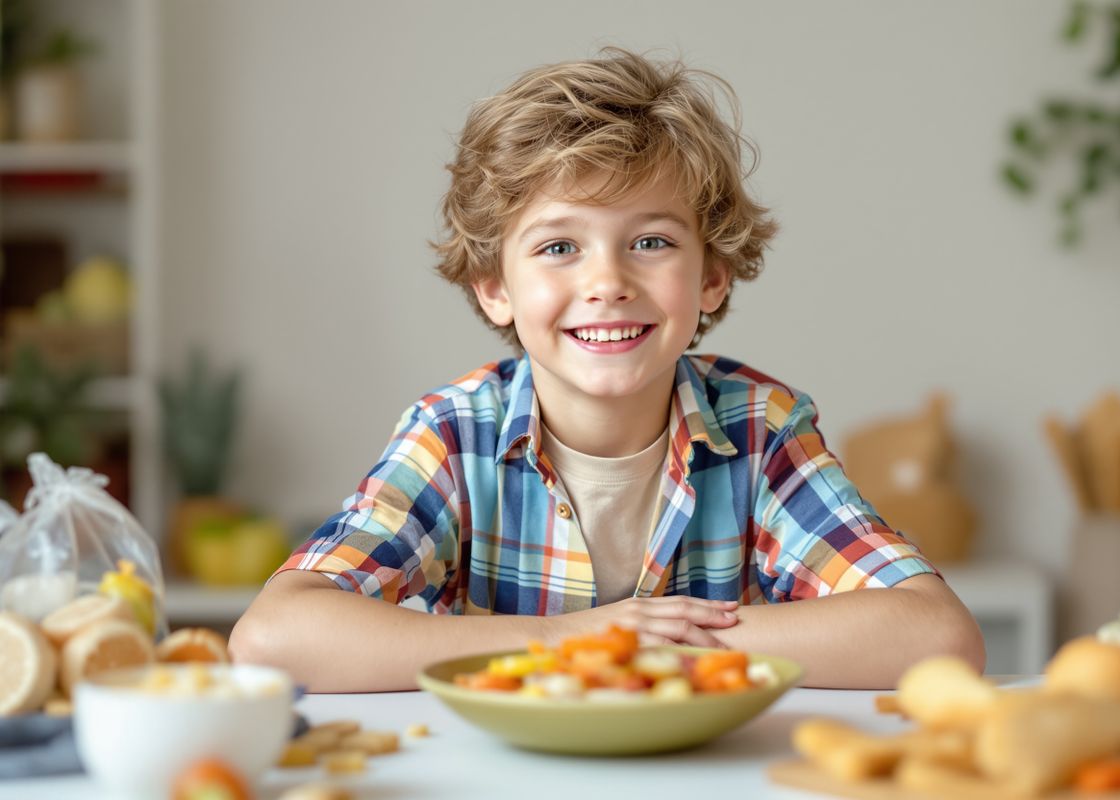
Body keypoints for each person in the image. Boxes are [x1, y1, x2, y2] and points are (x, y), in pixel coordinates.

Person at [229, 48, 985, 692]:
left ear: (711, 275)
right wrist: (575, 638)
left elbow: (935, 635)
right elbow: (273, 638)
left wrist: (653, 646)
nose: (608, 282)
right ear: (494, 287)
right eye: (559, 247)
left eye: (651, 242)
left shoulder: (760, 428)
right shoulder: (454, 435)